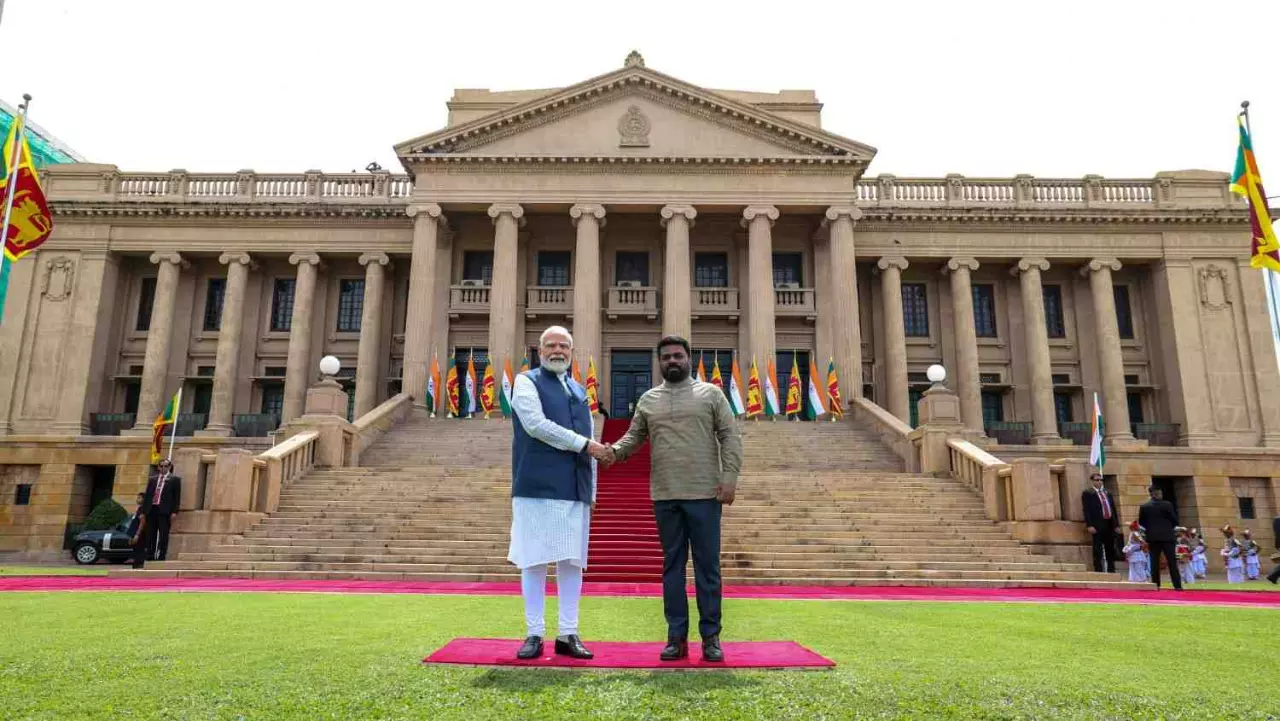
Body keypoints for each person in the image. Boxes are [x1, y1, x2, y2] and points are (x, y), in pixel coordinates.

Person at [609, 335, 743, 663]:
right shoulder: (649, 399)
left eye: (678, 356)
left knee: (707, 569)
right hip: (666, 495)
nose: (672, 361)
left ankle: (711, 637)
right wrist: (610, 452)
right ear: (659, 362)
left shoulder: (711, 394)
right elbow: (633, 438)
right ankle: (676, 637)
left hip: (704, 494)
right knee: (672, 568)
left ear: (688, 358)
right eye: (666, 357)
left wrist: (729, 479)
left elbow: (730, 436)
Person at [507, 326, 608, 661]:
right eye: (550, 345)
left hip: (573, 487)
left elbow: (589, 437)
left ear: (571, 351)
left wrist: (591, 489)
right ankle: (534, 632)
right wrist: (584, 445)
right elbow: (535, 425)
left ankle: (568, 632)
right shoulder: (526, 381)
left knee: (571, 562)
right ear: (540, 349)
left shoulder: (580, 390)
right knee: (534, 560)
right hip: (535, 483)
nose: (557, 350)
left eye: (564, 345)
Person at [1137, 484, 1182, 590]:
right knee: (1172, 562)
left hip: (1153, 537)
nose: (1160, 495)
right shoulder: (1167, 505)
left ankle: (1156, 585)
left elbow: (1141, 522)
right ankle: (1177, 586)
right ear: (1154, 494)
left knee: (1154, 563)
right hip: (1167, 537)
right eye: (1159, 493)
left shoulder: (1145, 506)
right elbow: (1174, 520)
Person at [141, 459, 182, 562]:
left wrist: (174, 512)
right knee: (151, 534)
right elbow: (147, 496)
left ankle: (161, 556)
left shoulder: (174, 479)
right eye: (161, 466)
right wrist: (143, 512)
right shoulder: (152, 479)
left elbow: (176, 497)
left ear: (169, 467)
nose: (163, 468)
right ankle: (150, 556)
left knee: (163, 534)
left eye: (166, 466)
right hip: (151, 510)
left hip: (164, 511)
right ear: (158, 467)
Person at [1081, 472, 1121, 572]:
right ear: (1092, 481)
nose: (1099, 482)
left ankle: (1111, 569)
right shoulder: (1088, 493)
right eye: (1097, 480)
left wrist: (1116, 524)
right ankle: (1098, 569)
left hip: (1109, 523)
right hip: (1097, 524)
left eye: (1100, 480)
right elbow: (1086, 510)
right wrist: (1089, 525)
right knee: (1098, 548)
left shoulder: (1107, 493)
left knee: (1110, 548)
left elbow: (1113, 509)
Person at [128, 492, 148, 569]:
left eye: (139, 498)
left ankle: (139, 565)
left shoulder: (142, 509)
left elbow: (142, 522)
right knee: (136, 550)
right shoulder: (139, 509)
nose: (137, 499)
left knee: (139, 550)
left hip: (139, 534)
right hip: (134, 533)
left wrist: (137, 534)